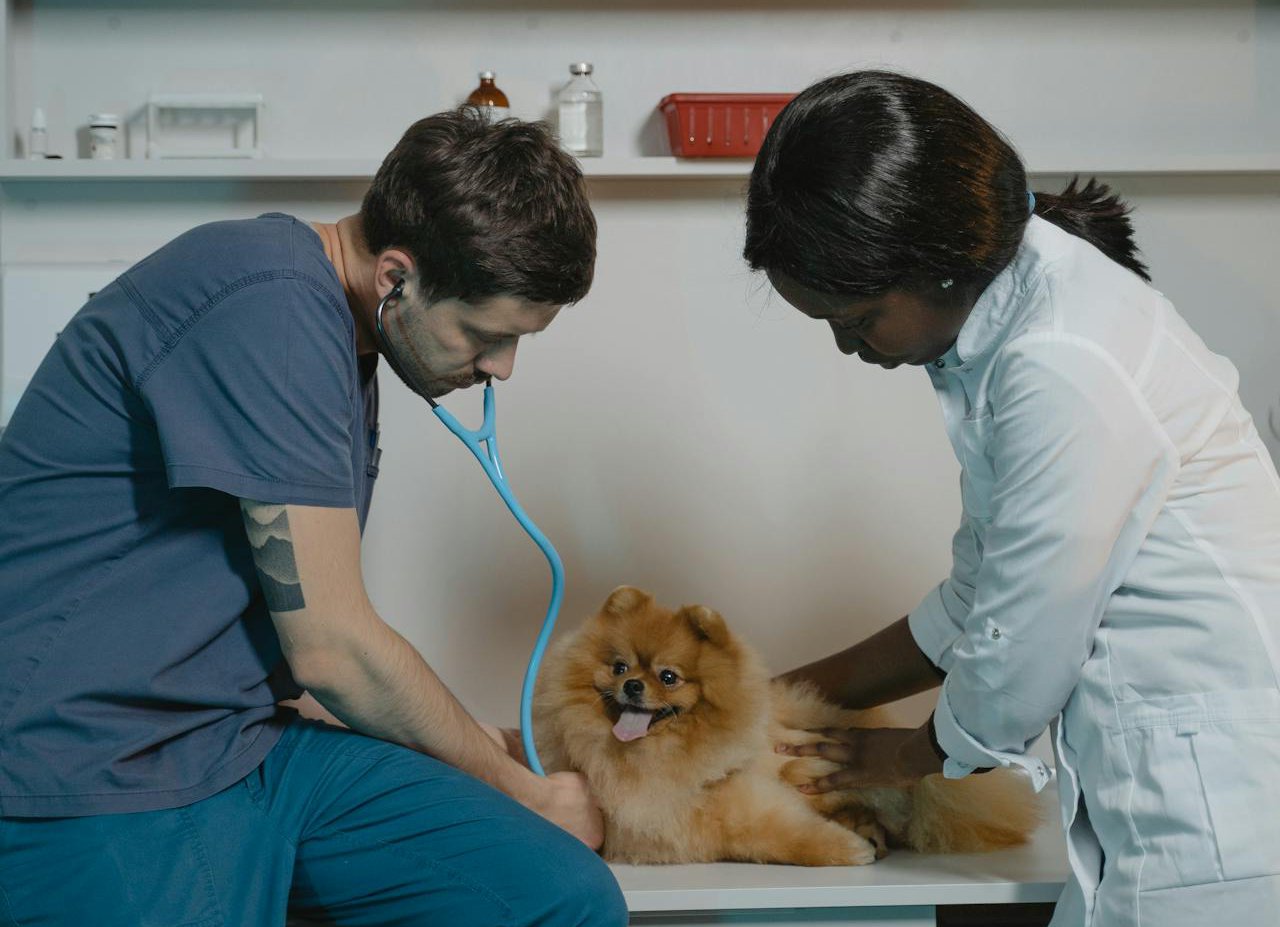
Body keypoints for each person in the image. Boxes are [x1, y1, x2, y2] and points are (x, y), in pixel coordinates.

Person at [0, 110, 628, 927]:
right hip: (93, 760)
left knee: (559, 897)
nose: (499, 369)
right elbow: (331, 647)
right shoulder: (271, 304)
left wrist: (475, 741)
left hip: (246, 740)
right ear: (395, 276)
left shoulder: (338, 334)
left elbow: (264, 634)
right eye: (485, 333)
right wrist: (529, 793)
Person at [745, 71, 1280, 925]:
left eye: (858, 318)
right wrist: (767, 695)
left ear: (940, 270)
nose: (850, 348)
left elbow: (1025, 632)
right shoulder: (1014, 337)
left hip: (1219, 817)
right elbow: (975, 601)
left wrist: (904, 755)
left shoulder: (1061, 359)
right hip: (1166, 798)